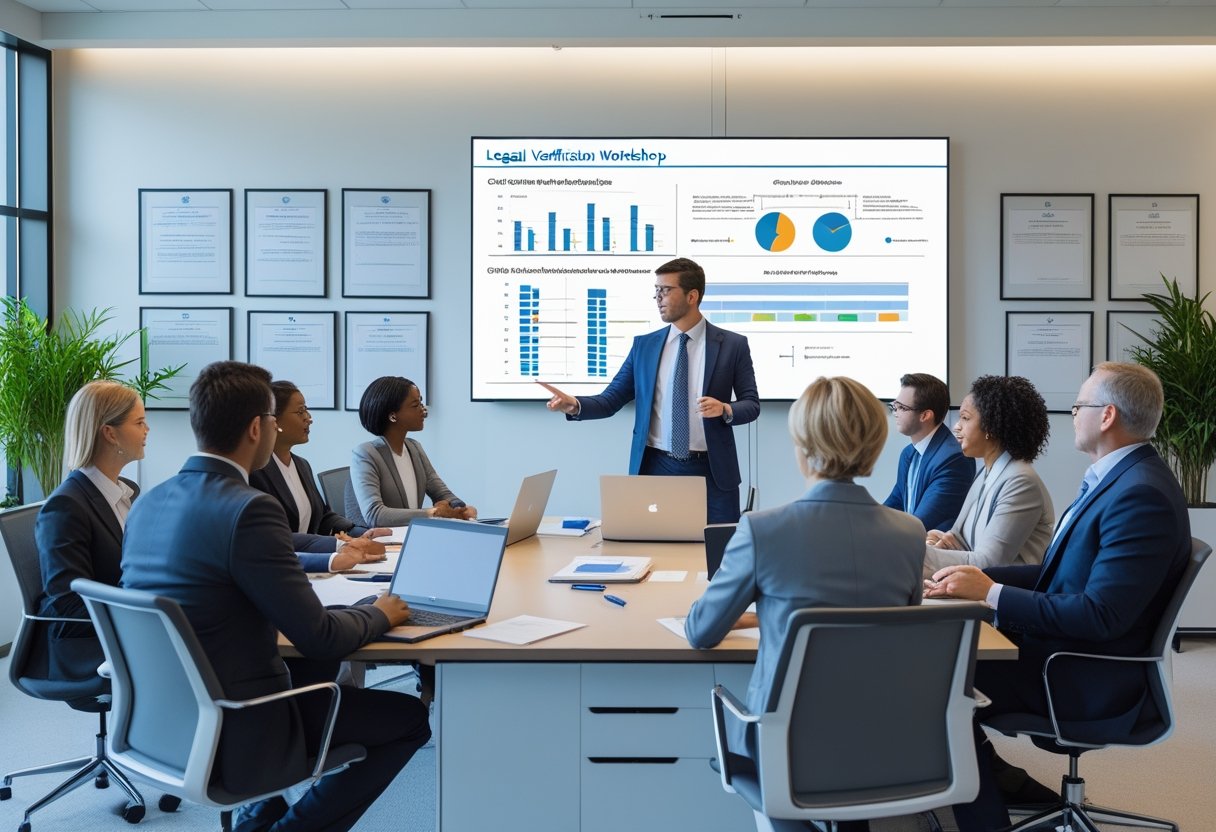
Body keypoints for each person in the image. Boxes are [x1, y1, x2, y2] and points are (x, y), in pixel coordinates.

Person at [120, 361, 430, 832]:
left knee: (317, 671)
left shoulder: (147, 502)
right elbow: (321, 637)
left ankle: (260, 812)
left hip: (168, 718)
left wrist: (356, 611)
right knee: (408, 717)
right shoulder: (249, 508)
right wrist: (381, 613)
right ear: (256, 427)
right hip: (246, 721)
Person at [927, 362, 1191, 831]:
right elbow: (1059, 575)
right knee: (942, 658)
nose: (1071, 415)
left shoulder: (1139, 495)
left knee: (936, 675)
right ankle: (989, 786)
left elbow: (1100, 614)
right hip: (1070, 653)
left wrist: (993, 593)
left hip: (1082, 674)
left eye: (1078, 406)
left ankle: (984, 818)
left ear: (1106, 416)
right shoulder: (1120, 478)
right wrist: (973, 583)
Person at [685, 376, 924, 832]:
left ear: (802, 446)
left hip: (785, 748)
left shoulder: (761, 530)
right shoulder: (909, 533)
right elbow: (902, 634)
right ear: (874, 446)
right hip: (883, 741)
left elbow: (701, 632)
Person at [540, 257, 760, 524]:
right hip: (657, 469)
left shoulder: (733, 345)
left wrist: (725, 409)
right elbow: (611, 400)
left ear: (692, 296)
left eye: (666, 290)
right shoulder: (644, 346)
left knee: (719, 556)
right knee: (655, 552)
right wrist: (574, 404)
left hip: (713, 472)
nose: (658, 297)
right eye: (656, 290)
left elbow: (751, 405)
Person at [33, 380, 147, 686]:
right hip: (89, 645)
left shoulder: (126, 494)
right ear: (110, 433)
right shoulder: (66, 506)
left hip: (126, 631)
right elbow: (67, 604)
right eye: (139, 422)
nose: (148, 430)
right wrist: (147, 613)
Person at [251, 380, 390, 572]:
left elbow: (323, 517)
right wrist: (339, 547)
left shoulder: (301, 464)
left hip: (315, 565)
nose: (309, 418)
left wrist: (363, 534)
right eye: (300, 412)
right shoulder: (255, 471)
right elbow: (273, 537)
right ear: (275, 419)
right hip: (284, 568)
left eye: (307, 410)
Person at [923, 375, 1055, 576]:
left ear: (991, 427)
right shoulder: (986, 472)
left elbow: (989, 564)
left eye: (965, 418)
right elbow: (958, 539)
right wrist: (937, 541)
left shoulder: (1020, 482)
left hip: (1001, 602)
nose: (956, 427)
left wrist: (916, 553)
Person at [347, 375, 475, 527]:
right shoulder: (365, 454)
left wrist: (460, 508)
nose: (423, 410)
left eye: (421, 402)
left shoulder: (414, 448)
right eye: (415, 405)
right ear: (393, 415)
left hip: (408, 536)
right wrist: (432, 514)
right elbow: (375, 515)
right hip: (379, 542)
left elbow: (442, 493)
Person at [883, 372, 974, 532]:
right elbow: (894, 503)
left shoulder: (954, 459)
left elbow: (921, 523)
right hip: (911, 545)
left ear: (925, 415)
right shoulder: (908, 454)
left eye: (902, 408)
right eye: (895, 405)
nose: (895, 412)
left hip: (935, 552)